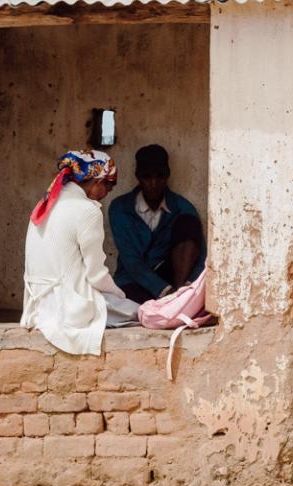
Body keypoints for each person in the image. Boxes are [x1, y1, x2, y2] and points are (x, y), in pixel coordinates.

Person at [22, 149, 139, 356]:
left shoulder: (45, 205)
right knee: (137, 312)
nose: (109, 192)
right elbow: (96, 276)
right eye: (109, 185)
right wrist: (120, 295)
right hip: (66, 309)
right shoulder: (88, 211)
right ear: (97, 181)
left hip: (36, 307)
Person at [109, 144, 205, 304]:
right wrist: (164, 290)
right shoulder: (120, 208)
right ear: (137, 176)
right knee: (134, 307)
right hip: (133, 280)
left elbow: (201, 254)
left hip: (172, 278)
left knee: (188, 223)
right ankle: (174, 301)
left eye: (160, 177)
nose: (153, 184)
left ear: (168, 175)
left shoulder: (182, 207)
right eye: (147, 177)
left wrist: (187, 289)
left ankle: (179, 299)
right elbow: (130, 259)